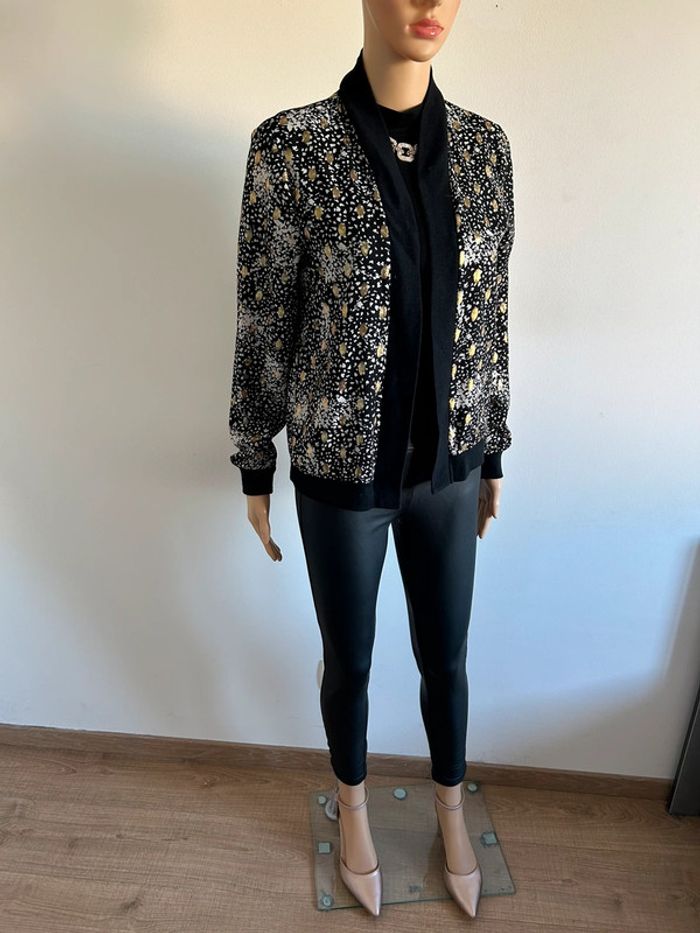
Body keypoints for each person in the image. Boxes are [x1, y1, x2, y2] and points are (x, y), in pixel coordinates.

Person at [228, 0, 515, 918]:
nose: (430, 4)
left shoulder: (485, 151)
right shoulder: (293, 147)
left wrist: (492, 445)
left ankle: (451, 808)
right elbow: (264, 319)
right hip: (341, 469)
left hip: (451, 467)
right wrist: (254, 460)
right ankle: (351, 805)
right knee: (348, 659)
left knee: (447, 657)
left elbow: (490, 315)